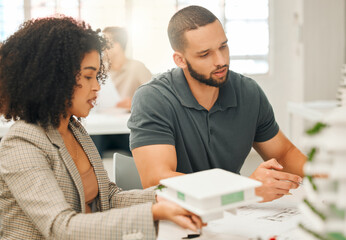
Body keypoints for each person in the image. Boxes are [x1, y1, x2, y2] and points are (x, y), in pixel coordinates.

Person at [0, 16, 203, 239]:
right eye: (88, 76)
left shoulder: (74, 129)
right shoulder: (22, 144)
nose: (96, 87)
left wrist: (168, 194)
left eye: (97, 76)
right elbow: (61, 227)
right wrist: (152, 212)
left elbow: (108, 197)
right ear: (54, 78)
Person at [128, 5, 307, 203]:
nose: (221, 60)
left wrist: (330, 178)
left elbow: (284, 154)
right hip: (176, 215)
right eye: (205, 54)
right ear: (180, 60)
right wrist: (246, 190)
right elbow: (158, 181)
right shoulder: (153, 98)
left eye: (223, 46)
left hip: (232, 212)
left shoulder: (248, 92)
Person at [102, 26, 152, 111]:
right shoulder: (101, 70)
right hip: (102, 119)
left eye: (104, 44)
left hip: (129, 120)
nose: (102, 48)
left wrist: (135, 103)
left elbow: (156, 97)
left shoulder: (137, 67)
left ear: (116, 46)